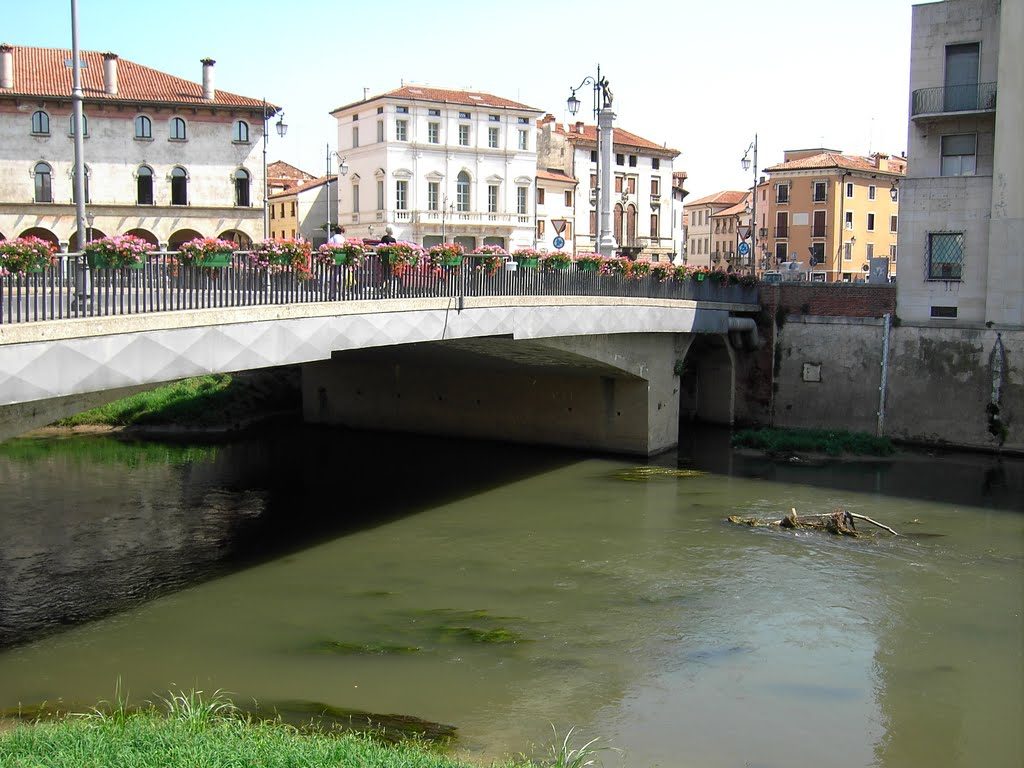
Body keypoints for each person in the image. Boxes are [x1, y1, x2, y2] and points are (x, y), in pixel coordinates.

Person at [377, 226, 396, 293]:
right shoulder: (393, 240)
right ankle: (388, 287)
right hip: (391, 257)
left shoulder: (384, 238)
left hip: (385, 257)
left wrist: (379, 256)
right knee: (390, 272)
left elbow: (380, 247)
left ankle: (385, 286)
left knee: (385, 272)